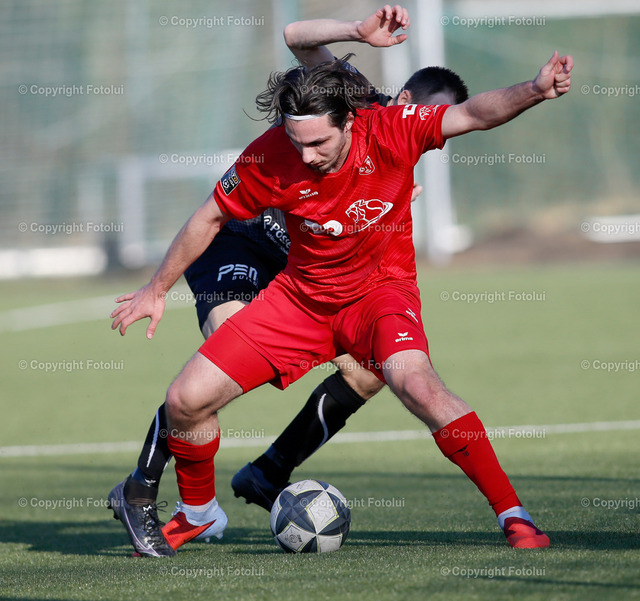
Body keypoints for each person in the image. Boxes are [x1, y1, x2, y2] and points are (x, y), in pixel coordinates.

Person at [112, 17, 572, 558]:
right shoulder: (272, 154)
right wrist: (157, 288)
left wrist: (535, 90)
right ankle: (197, 511)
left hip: (379, 296)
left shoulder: (395, 128)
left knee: (417, 386)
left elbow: (474, 114)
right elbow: (209, 215)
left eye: (318, 143)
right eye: (297, 142)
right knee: (186, 399)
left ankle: (513, 514)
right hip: (300, 297)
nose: (306, 156)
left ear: (350, 120)